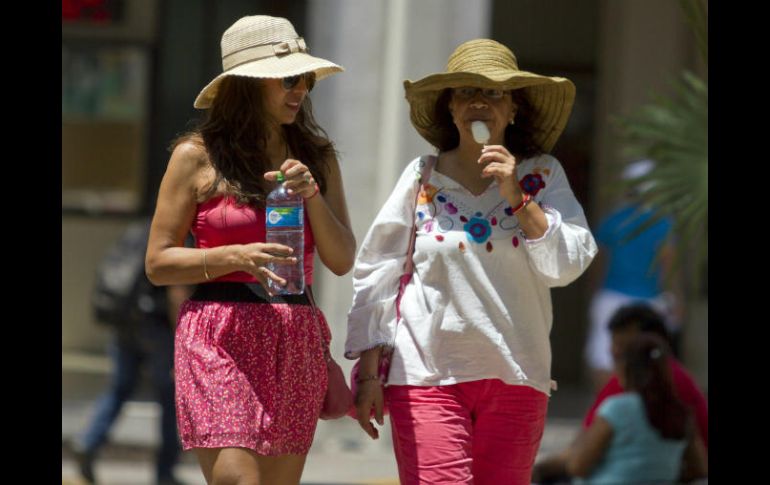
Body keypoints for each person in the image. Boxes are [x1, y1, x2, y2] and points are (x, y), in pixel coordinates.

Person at [345, 39, 597, 485]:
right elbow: (378, 272)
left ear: (515, 109)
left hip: (518, 374)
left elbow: (566, 267)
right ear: (450, 108)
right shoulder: (422, 176)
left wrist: (518, 196)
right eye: (465, 92)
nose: (479, 101)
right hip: (426, 374)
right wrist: (368, 376)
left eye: (495, 92)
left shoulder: (543, 175)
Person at [144, 15, 355, 485]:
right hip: (219, 333)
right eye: (287, 79)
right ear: (247, 84)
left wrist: (312, 194)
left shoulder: (317, 157)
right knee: (239, 480)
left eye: (305, 79)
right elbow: (157, 263)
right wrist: (233, 257)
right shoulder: (195, 156)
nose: (299, 89)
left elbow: (342, 261)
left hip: (293, 334)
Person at [532, 303, 708, 484]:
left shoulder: (621, 402)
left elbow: (578, 462)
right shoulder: (679, 403)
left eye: (622, 346)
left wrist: (538, 469)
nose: (613, 351)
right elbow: (699, 467)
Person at [72, 219, 191, 485]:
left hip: (126, 323)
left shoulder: (139, 229)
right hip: (157, 327)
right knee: (170, 398)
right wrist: (181, 339)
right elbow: (176, 291)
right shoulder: (177, 231)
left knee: (119, 388)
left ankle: (88, 441)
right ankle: (165, 472)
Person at [585, 159, 682, 391]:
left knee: (603, 355)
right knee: (647, 360)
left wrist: (596, 294)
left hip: (610, 297)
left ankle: (606, 407)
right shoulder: (664, 224)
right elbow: (668, 267)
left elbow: (597, 264)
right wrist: (677, 299)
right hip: (649, 301)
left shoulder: (613, 221)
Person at [566, 333, 708, 483]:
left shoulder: (617, 408)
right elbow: (700, 469)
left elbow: (577, 466)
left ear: (626, 369)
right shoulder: (680, 412)